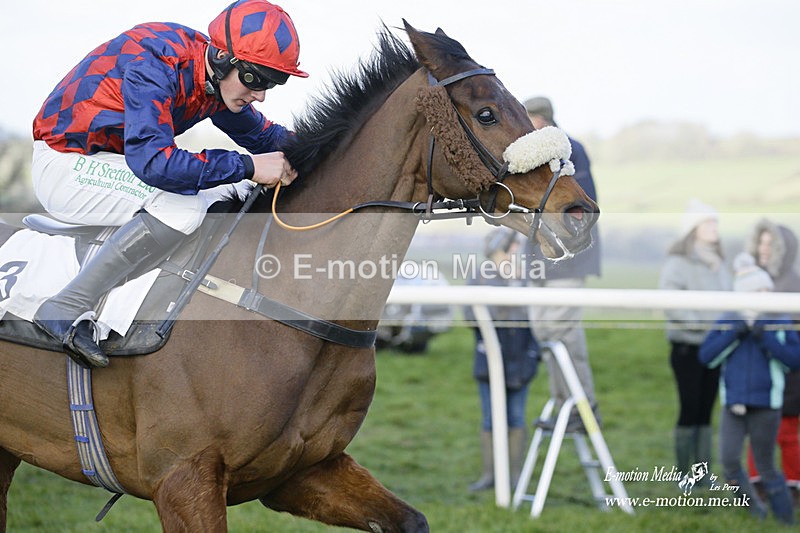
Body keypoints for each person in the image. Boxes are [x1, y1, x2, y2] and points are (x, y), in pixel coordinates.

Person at [29, 0, 307, 368]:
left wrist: (324, 149)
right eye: (255, 79)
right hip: (66, 162)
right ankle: (65, 306)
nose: (261, 94)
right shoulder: (154, 64)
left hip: (112, 162)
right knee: (183, 207)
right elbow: (155, 163)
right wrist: (247, 165)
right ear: (223, 57)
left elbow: (264, 137)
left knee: (227, 191)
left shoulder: (214, 80)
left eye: (273, 82)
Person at [699, 252, 800, 524]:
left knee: (766, 466)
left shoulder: (779, 319)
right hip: (733, 404)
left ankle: (786, 520)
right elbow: (707, 356)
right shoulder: (729, 319)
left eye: (767, 289)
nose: (765, 295)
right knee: (729, 462)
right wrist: (735, 333)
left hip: (767, 405)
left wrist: (767, 339)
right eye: (758, 290)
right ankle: (755, 511)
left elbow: (794, 360)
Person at [523, 96, 601, 432]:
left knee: (562, 333)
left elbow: (581, 207)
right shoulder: (533, 153)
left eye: (527, 118)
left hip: (569, 260)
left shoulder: (572, 150)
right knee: (545, 334)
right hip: (540, 259)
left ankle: (584, 408)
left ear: (542, 120)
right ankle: (563, 405)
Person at [658, 199, 731, 481]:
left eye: (715, 222)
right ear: (694, 228)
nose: (715, 227)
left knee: (706, 411)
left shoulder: (720, 264)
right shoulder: (678, 263)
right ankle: (683, 475)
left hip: (716, 349)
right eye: (708, 222)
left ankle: (702, 474)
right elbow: (670, 301)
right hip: (688, 348)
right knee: (689, 408)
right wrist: (704, 325)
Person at [467, 228, 540, 491]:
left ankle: (514, 476)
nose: (515, 252)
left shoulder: (527, 277)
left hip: (521, 360)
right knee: (490, 419)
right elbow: (470, 317)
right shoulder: (480, 277)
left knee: (516, 417)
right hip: (489, 361)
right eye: (510, 247)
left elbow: (536, 318)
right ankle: (490, 476)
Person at [744, 219, 800, 505]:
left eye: (771, 244)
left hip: (789, 375)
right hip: (756, 371)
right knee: (757, 431)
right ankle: (758, 485)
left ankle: (793, 486)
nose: (764, 249)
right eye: (761, 242)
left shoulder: (794, 285)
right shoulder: (749, 282)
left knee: (787, 432)